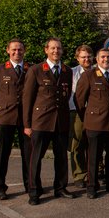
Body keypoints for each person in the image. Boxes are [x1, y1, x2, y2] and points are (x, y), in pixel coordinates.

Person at [23, 37, 76, 205]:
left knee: (61, 157)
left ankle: (60, 188)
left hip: (60, 121)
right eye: (53, 48)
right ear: (46, 50)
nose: (56, 51)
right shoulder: (36, 70)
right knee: (36, 158)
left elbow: (66, 96)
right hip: (41, 122)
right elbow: (27, 99)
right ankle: (34, 191)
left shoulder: (67, 71)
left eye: (59, 48)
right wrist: (27, 124)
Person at [75, 48, 109, 199]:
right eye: (103, 57)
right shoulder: (88, 75)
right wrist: (88, 118)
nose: (106, 59)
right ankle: (92, 186)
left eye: (108, 57)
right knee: (94, 157)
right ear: (97, 59)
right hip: (95, 124)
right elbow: (79, 101)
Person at [0, 39, 31, 200]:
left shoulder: (30, 69)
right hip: (5, 117)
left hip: (25, 118)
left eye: (20, 50)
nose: (17, 52)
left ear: (24, 51)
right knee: (2, 154)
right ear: (7, 51)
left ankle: (30, 184)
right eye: (14, 50)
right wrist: (5, 104)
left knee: (28, 154)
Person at [68, 45, 93, 188]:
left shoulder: (97, 72)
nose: (86, 59)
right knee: (76, 144)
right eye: (83, 57)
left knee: (92, 144)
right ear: (77, 58)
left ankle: (92, 173)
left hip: (94, 113)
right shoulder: (71, 73)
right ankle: (78, 175)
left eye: (89, 56)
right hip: (76, 112)